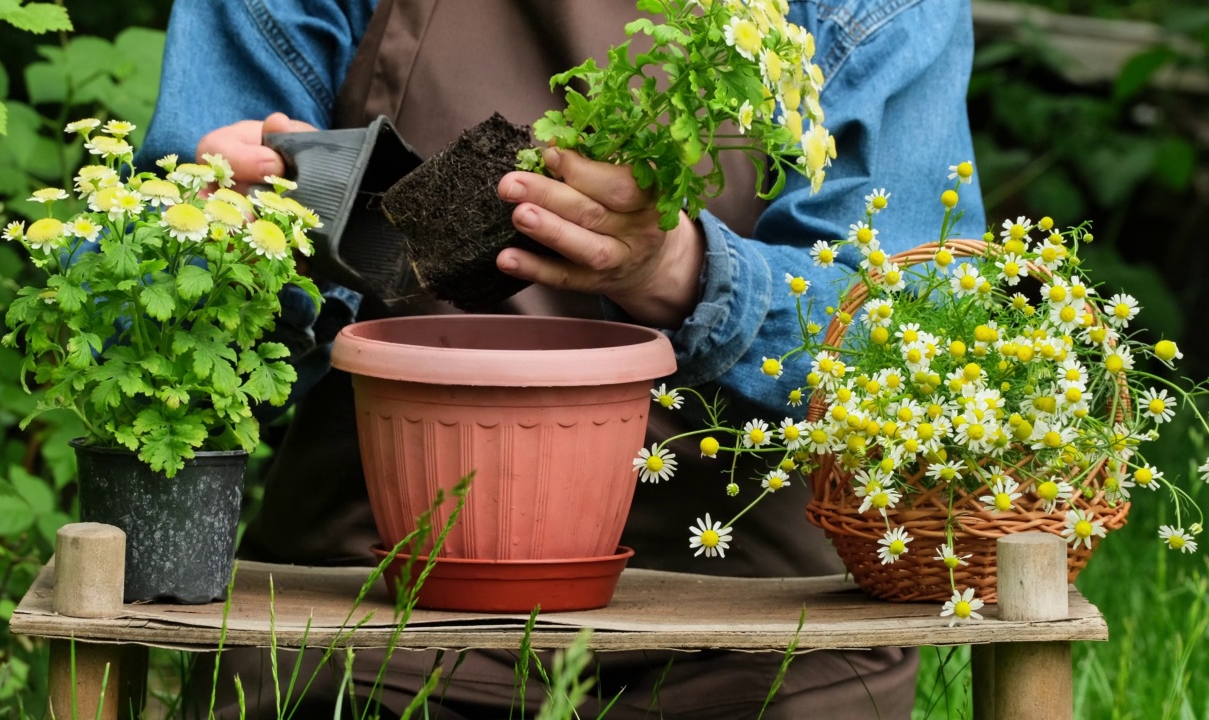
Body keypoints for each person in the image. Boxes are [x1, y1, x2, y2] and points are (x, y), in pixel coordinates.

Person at [140, 0, 986, 717]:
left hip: (760, 623)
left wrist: (682, 271)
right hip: (377, 607)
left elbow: (922, 345)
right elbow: (131, 322)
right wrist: (234, 250)